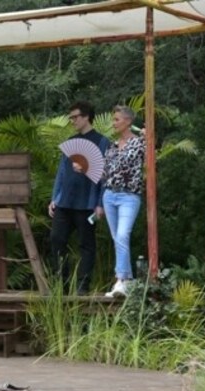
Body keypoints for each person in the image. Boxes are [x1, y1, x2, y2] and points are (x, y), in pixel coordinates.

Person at [48, 101, 110, 295]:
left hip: (87, 204)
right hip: (65, 202)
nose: (72, 120)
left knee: (86, 245)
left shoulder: (102, 142)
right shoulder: (71, 142)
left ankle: (82, 287)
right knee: (56, 240)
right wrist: (54, 198)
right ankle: (61, 285)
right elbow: (61, 173)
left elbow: (106, 175)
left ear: (86, 117)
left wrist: (100, 203)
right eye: (71, 117)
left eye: (75, 117)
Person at [102, 106, 145, 297]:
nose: (114, 123)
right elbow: (104, 173)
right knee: (117, 239)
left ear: (128, 121)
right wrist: (84, 168)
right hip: (109, 195)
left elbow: (152, 153)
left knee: (122, 235)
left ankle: (122, 279)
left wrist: (147, 136)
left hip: (129, 196)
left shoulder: (139, 143)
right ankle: (125, 281)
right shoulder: (112, 146)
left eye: (117, 119)